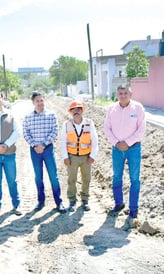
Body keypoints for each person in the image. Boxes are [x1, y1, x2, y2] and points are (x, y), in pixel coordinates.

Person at [104, 85, 146, 223]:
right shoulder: (111, 109)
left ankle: (133, 209)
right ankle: (119, 203)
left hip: (133, 148)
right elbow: (107, 128)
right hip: (117, 149)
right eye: (120, 93)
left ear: (131, 94)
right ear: (117, 94)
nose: (123, 95)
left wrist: (127, 142)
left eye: (125, 93)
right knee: (116, 176)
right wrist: (116, 143)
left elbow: (141, 129)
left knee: (135, 179)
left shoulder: (138, 108)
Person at [22, 92, 66, 213]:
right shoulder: (28, 117)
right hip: (35, 150)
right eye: (37, 101)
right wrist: (35, 145)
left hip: (48, 149)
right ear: (33, 103)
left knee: (53, 176)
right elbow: (26, 133)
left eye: (42, 100)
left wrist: (43, 144)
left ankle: (59, 202)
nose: (40, 103)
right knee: (38, 177)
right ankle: (40, 201)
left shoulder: (51, 115)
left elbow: (54, 131)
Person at [59, 100, 99, 212]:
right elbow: (62, 142)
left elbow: (95, 141)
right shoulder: (66, 125)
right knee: (72, 179)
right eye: (74, 109)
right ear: (71, 112)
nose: (76, 111)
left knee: (86, 179)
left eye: (79, 109)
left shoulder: (89, 123)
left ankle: (85, 200)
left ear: (82, 111)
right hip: (72, 157)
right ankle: (72, 201)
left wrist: (93, 156)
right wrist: (65, 157)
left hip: (86, 157)